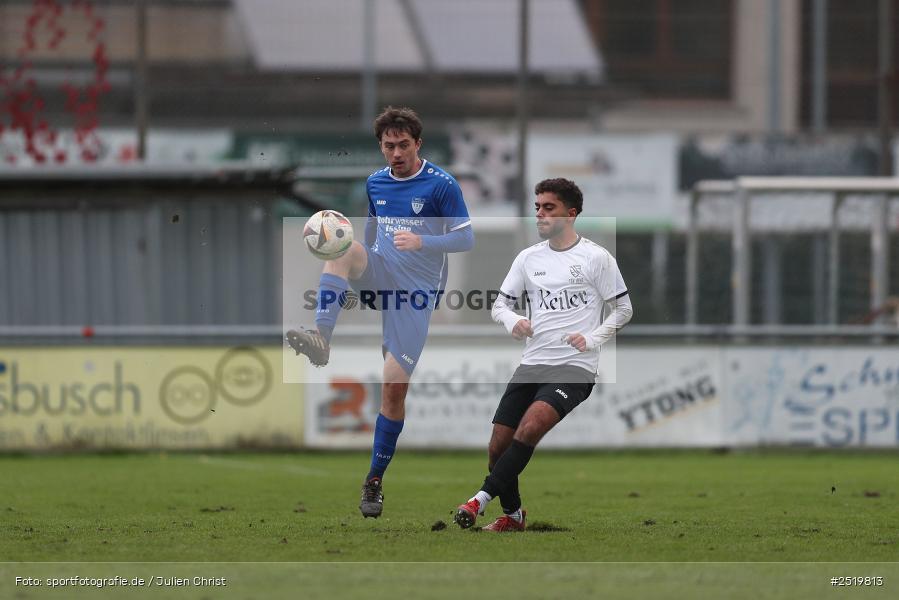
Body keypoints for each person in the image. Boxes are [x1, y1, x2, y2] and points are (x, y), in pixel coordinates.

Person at [286, 106, 473, 518]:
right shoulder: (375, 183)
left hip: (416, 296)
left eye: (404, 145)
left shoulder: (441, 185)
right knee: (342, 249)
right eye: (389, 146)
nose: (396, 153)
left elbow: (466, 239)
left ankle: (374, 482)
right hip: (382, 274)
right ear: (381, 147)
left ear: (417, 144)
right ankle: (321, 336)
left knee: (392, 388)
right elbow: (370, 230)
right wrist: (364, 262)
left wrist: (423, 243)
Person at [453, 178, 632, 532]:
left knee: (531, 426)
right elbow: (499, 305)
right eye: (537, 207)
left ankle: (478, 501)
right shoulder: (528, 258)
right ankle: (515, 517)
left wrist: (592, 338)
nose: (540, 214)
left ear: (571, 213)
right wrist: (514, 320)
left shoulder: (596, 258)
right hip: (532, 363)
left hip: (574, 368)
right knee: (497, 448)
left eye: (548, 207)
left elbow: (623, 309)